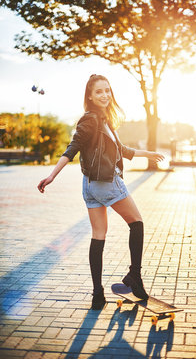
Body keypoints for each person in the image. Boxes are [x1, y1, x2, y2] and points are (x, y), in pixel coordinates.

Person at [37, 74, 164, 310]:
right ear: (90, 96)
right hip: (106, 182)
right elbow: (72, 148)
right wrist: (52, 175)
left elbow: (122, 150)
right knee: (136, 223)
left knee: (98, 235)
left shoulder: (103, 120)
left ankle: (98, 295)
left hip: (90, 185)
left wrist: (149, 154)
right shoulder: (91, 120)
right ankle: (134, 276)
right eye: (99, 92)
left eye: (107, 90)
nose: (105, 95)